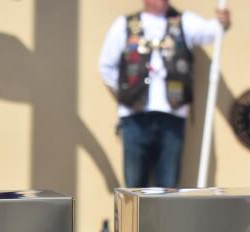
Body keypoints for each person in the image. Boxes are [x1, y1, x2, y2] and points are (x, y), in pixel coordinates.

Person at [99, 1, 231, 188]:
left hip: (172, 116)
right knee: (134, 186)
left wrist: (222, 23)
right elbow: (106, 66)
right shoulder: (125, 24)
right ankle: (134, 219)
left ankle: (167, 218)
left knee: (168, 186)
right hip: (135, 118)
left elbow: (210, 32)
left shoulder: (183, 21)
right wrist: (127, 94)